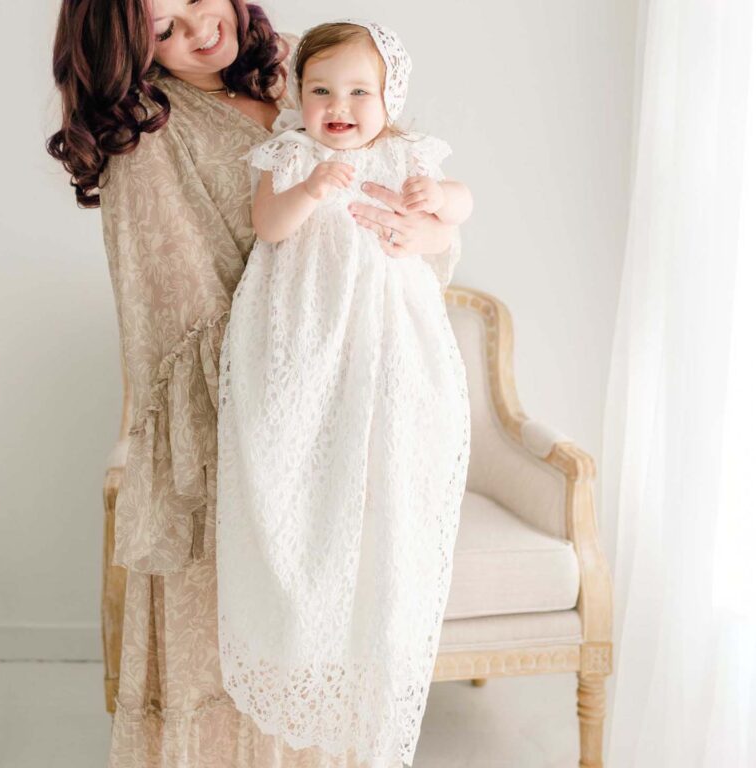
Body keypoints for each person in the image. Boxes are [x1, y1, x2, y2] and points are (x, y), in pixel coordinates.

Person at [46, 1, 461, 765]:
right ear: (130, 53)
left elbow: (406, 194)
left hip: (360, 396)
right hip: (245, 416)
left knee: (329, 626)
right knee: (243, 640)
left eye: (197, 2)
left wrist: (429, 228)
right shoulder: (154, 133)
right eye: (162, 31)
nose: (197, 32)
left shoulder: (300, 68)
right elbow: (174, 310)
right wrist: (282, 395)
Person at [215, 20, 472, 767]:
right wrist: (309, 189)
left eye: (361, 90)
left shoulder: (406, 155)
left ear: (390, 96)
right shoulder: (291, 153)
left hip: (386, 332)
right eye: (321, 89)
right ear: (297, 96)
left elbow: (458, 208)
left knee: (388, 425)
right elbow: (268, 226)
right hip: (306, 327)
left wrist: (440, 200)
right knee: (300, 439)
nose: (341, 105)